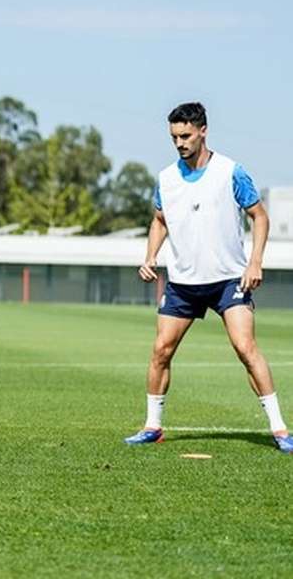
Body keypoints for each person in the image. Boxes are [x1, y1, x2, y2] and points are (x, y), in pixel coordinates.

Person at [125, 102, 292, 453]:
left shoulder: (231, 171)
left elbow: (259, 217)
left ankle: (280, 430)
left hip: (230, 279)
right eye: (174, 137)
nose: (179, 143)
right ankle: (153, 426)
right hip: (183, 283)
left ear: (203, 131)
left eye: (185, 135)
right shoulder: (166, 179)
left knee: (246, 348)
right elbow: (159, 220)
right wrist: (150, 257)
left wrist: (255, 262)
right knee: (160, 351)